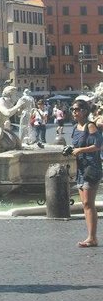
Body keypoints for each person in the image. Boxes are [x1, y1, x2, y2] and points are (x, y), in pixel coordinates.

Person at [69, 100, 102, 247]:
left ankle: (92, 237)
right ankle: (91, 237)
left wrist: (80, 150)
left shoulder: (90, 126)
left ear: (84, 111)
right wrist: (70, 150)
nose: (74, 112)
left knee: (89, 203)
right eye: (73, 109)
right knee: (85, 204)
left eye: (76, 109)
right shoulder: (76, 128)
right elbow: (76, 146)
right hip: (81, 168)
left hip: (91, 167)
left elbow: (97, 145)